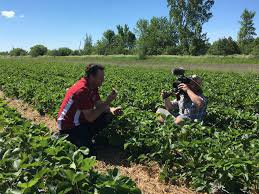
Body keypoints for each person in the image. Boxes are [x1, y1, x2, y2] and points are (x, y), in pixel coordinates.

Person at [57, 63, 122, 153]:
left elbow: (99, 105)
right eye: (101, 78)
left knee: (108, 115)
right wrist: (108, 101)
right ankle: (64, 137)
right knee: (88, 152)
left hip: (80, 121)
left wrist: (112, 110)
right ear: (92, 76)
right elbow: (90, 118)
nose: (103, 80)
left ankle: (86, 138)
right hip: (69, 126)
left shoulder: (92, 87)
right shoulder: (82, 90)